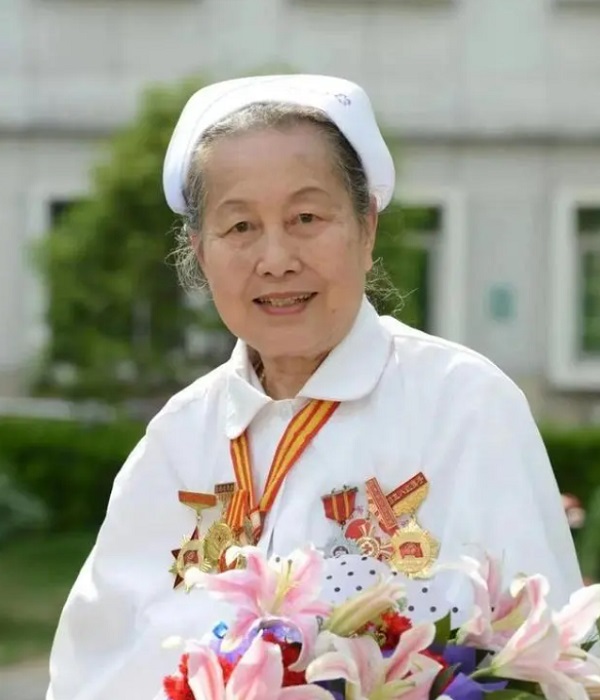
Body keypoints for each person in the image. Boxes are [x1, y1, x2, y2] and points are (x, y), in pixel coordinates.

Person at [46, 74, 582, 700]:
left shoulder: (463, 405)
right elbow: (90, 673)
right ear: (199, 251)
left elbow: (546, 665)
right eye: (239, 227)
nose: (275, 258)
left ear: (366, 229)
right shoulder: (176, 440)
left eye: (305, 217)